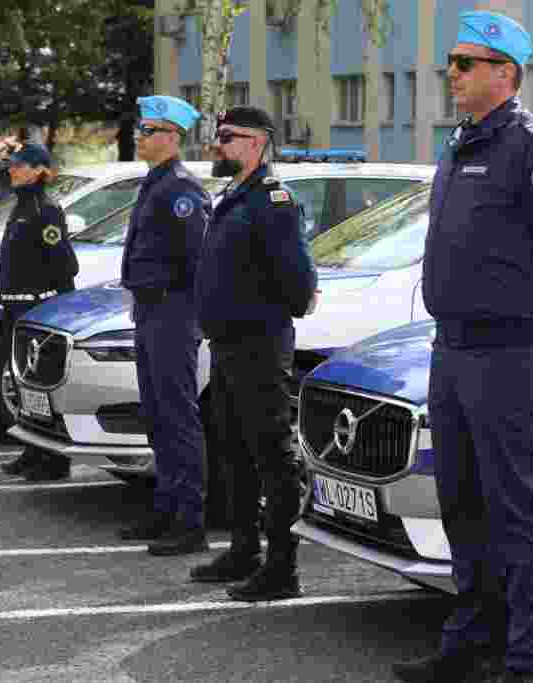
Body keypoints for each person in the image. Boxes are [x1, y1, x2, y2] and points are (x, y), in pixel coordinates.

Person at [393, 12, 533, 683]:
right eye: (452, 61)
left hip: (509, 352)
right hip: (453, 349)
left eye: (466, 63)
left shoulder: (532, 146)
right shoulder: (463, 142)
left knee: (515, 509)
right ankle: (467, 642)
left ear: (506, 73)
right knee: (462, 502)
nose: (453, 72)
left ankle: (527, 660)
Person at [189, 106, 317, 600]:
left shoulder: (273, 200)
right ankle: (244, 549)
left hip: (258, 345)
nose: (218, 144)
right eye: (217, 135)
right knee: (232, 448)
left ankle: (282, 567)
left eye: (227, 136)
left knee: (271, 455)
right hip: (227, 346)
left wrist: (275, 308)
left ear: (257, 142)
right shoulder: (235, 195)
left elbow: (297, 277)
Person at [115, 96, 211, 557]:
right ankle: (166, 507)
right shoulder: (156, 183)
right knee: (156, 417)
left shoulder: (180, 189)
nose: (141, 137)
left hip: (173, 312)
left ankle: (190, 521)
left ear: (172, 137)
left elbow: (199, 260)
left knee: (177, 417)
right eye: (143, 129)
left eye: (149, 131)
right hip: (151, 311)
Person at [0, 143, 79, 481]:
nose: (12, 170)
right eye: (12, 165)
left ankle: (54, 461)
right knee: (24, 387)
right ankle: (32, 451)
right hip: (18, 307)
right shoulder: (21, 207)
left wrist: (48, 306)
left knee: (40, 386)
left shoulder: (46, 209)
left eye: (19, 165)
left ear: (38, 170)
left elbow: (65, 265)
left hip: (36, 308)